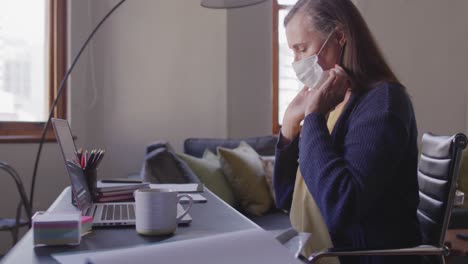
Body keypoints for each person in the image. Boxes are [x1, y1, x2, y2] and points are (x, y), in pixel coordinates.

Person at [273, 0, 421, 264]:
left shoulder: (383, 104)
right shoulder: (335, 101)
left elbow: (342, 207)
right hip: (318, 252)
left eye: (301, 49)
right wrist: (288, 128)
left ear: (339, 36)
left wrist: (313, 117)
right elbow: (285, 196)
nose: (296, 62)